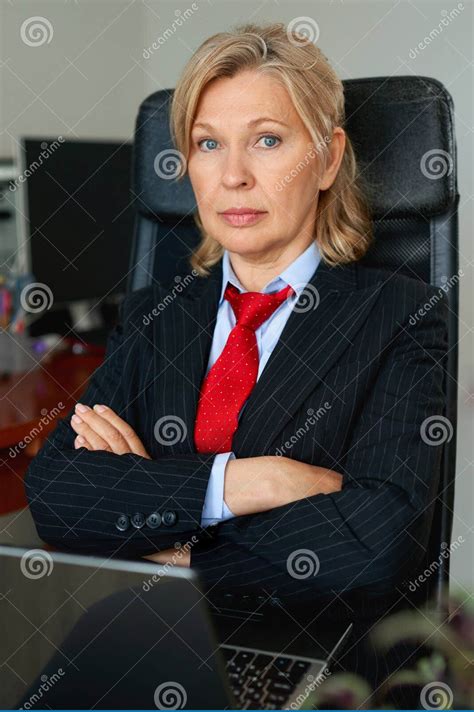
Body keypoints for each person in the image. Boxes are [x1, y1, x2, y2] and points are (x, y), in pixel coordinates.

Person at [25, 22, 449, 617]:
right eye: (208, 144)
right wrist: (250, 482)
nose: (233, 176)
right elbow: (56, 495)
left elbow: (375, 548)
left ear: (327, 160)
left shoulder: (401, 313)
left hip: (311, 657)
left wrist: (170, 542)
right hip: (146, 636)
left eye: (268, 140)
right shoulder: (154, 315)